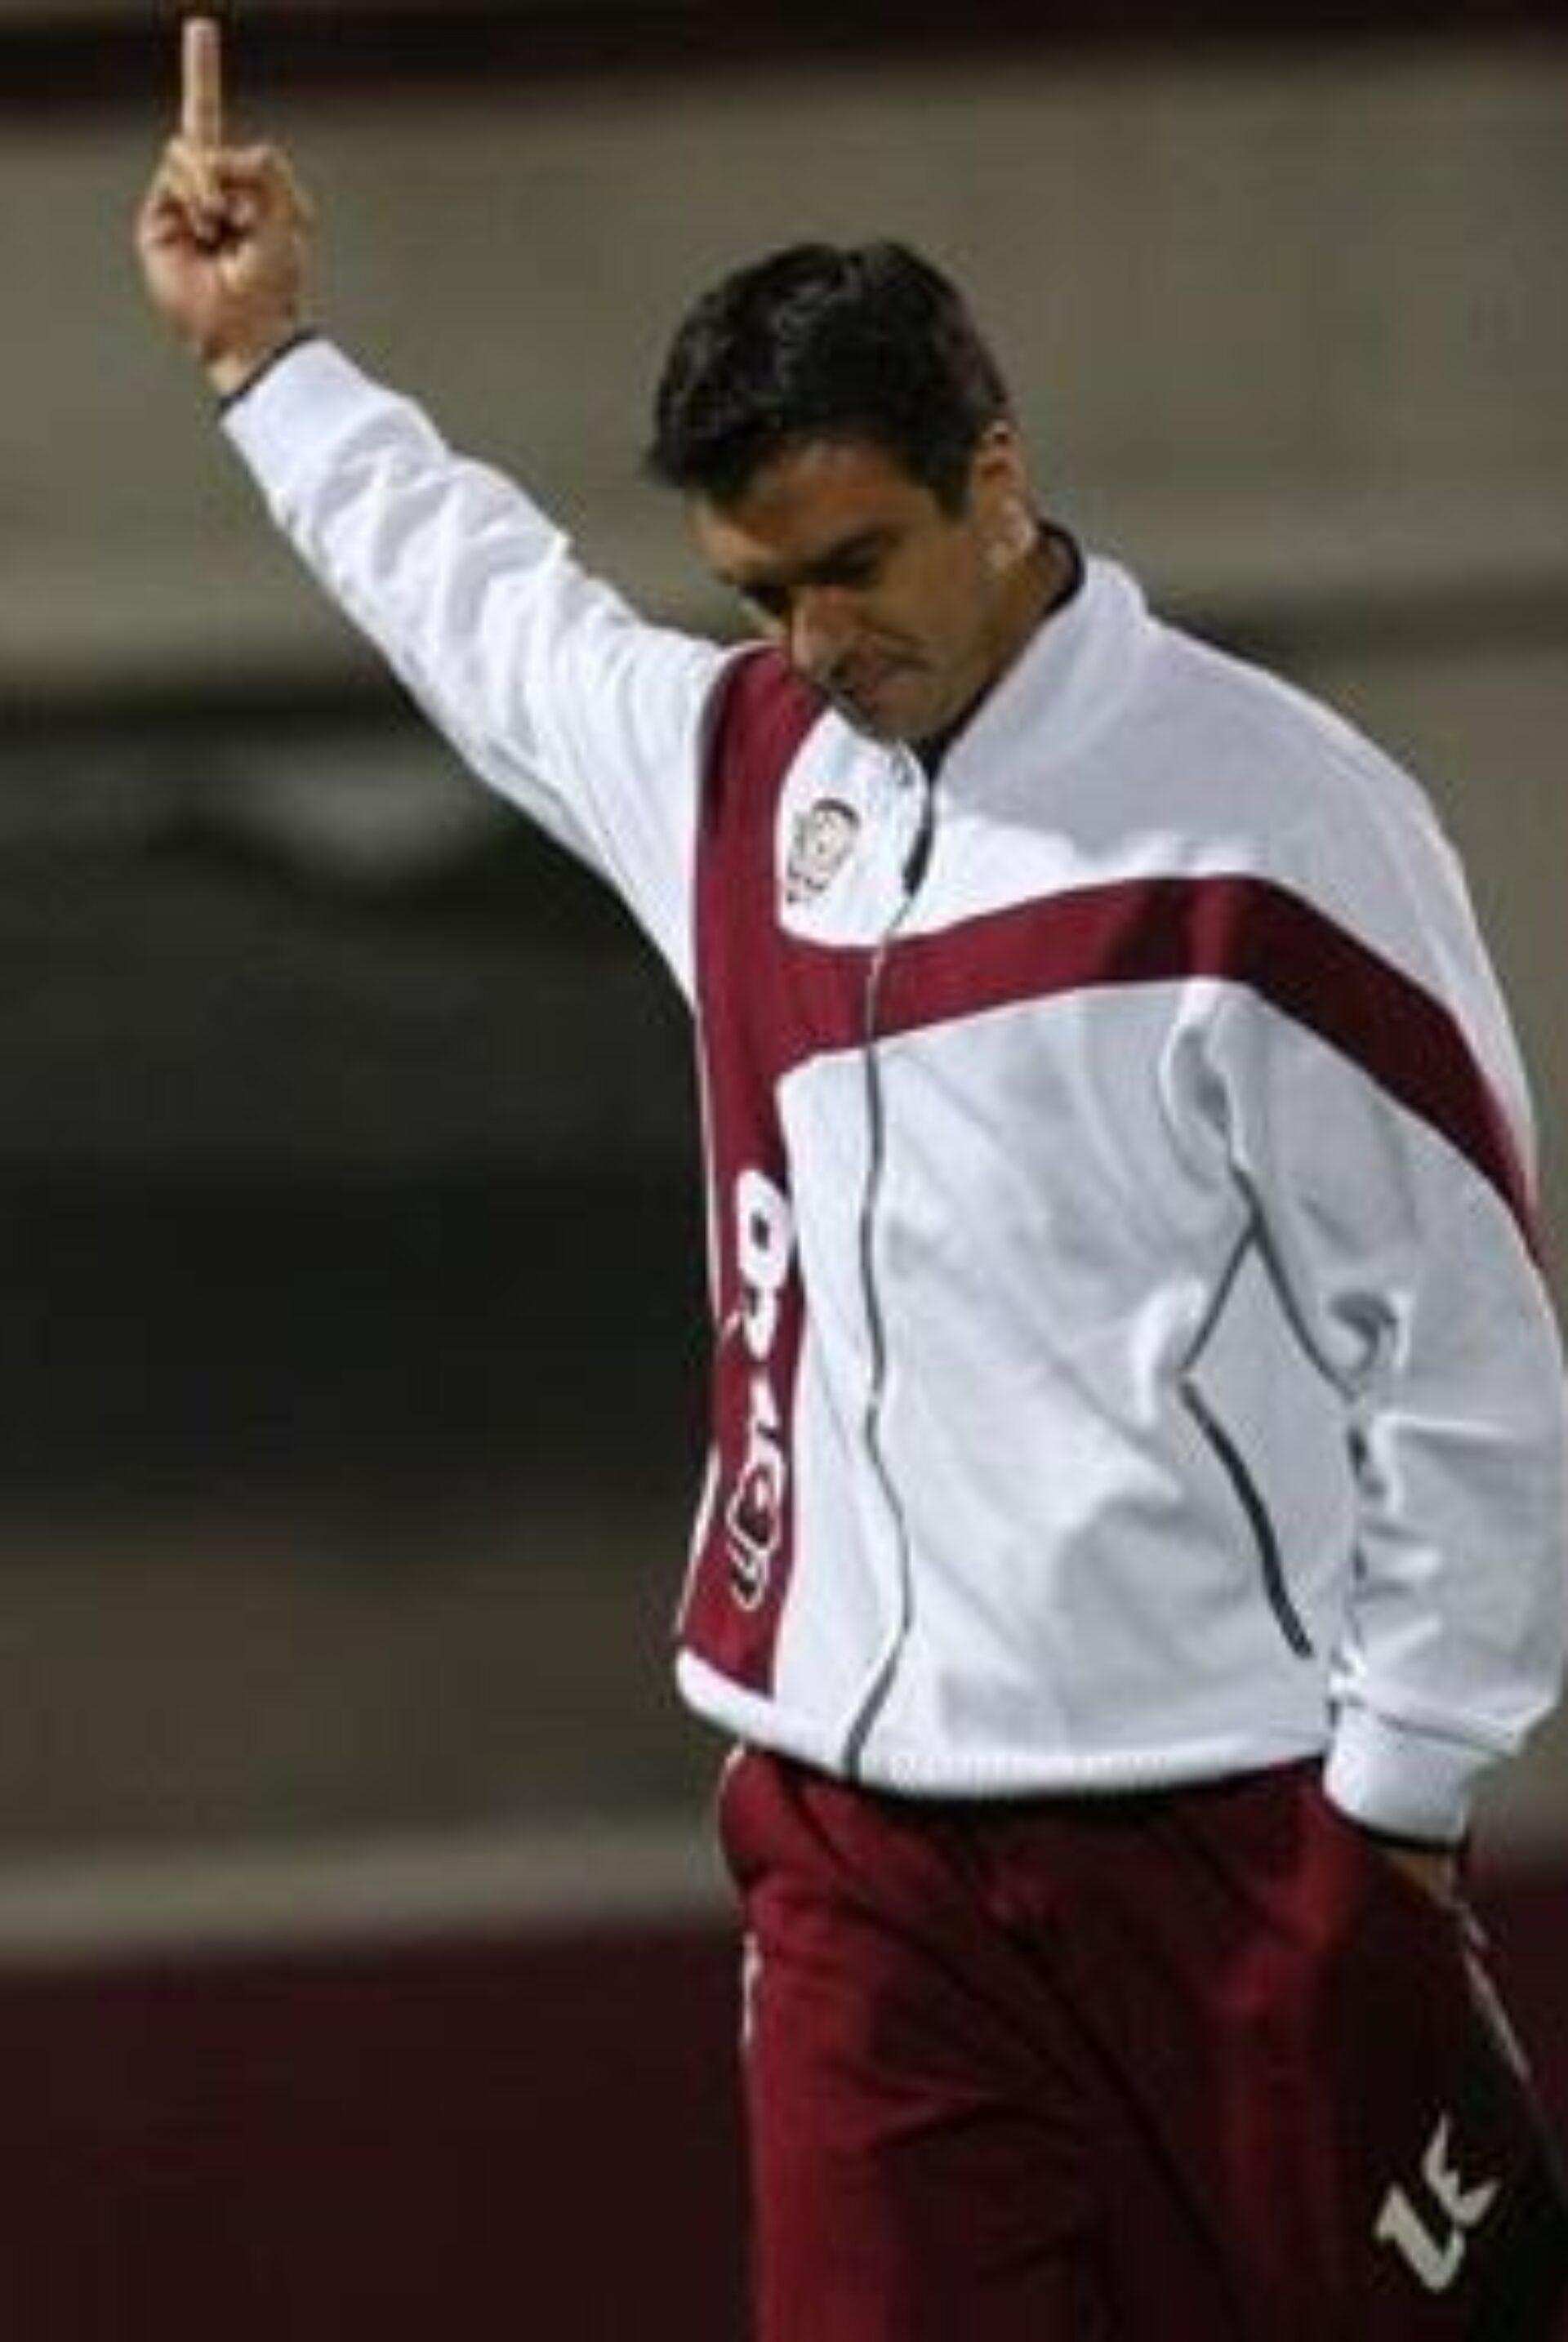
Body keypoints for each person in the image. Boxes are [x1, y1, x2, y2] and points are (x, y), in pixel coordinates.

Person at [137, 19, 1568, 2337]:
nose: (817, 641)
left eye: (855, 564)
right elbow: (483, 611)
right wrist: (266, 362)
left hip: (1230, 1837)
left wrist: (1399, 1799)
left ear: (995, 475)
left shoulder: (1277, 830)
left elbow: (1469, 1343)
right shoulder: (737, 777)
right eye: (759, 591)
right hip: (856, 1858)